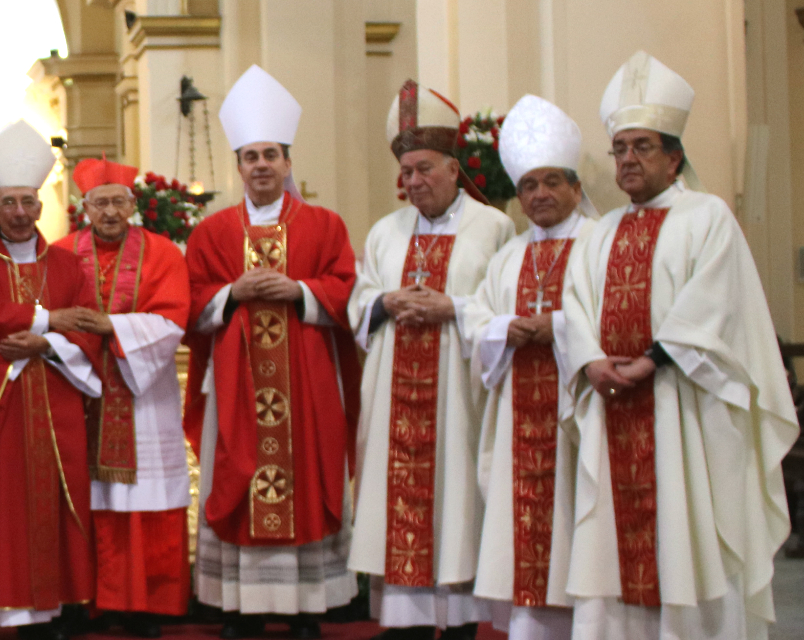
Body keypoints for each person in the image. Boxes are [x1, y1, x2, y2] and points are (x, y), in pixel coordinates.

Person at [560, 51, 797, 640]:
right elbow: (574, 304)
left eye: (642, 146)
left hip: (683, 407)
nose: (628, 160)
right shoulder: (602, 232)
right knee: (614, 545)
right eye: (620, 148)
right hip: (613, 404)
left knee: (686, 532)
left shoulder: (707, 216)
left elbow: (712, 304)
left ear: (673, 155)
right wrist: (591, 361)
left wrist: (650, 362)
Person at [184, 65, 361, 640]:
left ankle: (306, 606)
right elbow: (190, 303)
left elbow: (347, 287)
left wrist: (301, 291)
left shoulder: (324, 224)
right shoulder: (211, 233)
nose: (261, 165)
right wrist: (231, 293)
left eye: (271, 155)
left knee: (306, 478)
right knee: (237, 475)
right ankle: (241, 606)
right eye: (250, 156)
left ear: (288, 163)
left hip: (306, 381)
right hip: (236, 384)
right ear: (238, 167)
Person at [346, 80, 514, 640]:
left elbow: (502, 307)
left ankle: (460, 617)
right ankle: (407, 621)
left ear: (453, 166)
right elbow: (358, 302)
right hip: (395, 393)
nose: (413, 182)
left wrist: (454, 308)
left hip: (458, 394)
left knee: (457, 499)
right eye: (406, 173)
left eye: (424, 169)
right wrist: (384, 302)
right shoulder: (385, 232)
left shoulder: (492, 228)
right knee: (399, 506)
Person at [0, 119, 102, 640]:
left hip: (54, 406)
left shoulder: (68, 265)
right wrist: (50, 322)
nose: (19, 213)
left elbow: (90, 326)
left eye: (28, 201)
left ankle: (44, 613)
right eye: (8, 202)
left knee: (49, 506)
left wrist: (45, 345)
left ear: (40, 205)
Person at [462, 94, 593, 640]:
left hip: (579, 416)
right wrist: (504, 330)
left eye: (551, 183)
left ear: (576, 188)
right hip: (519, 410)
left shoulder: (598, 244)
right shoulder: (509, 256)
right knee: (527, 527)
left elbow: (615, 317)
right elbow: (478, 318)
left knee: (574, 517)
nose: (540, 195)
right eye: (529, 187)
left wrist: (556, 327)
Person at [53, 158, 192, 637]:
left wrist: (111, 325)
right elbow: (44, 315)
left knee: (142, 500)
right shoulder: (61, 253)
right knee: (84, 499)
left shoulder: (163, 253)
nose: (110, 211)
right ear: (84, 208)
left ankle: (146, 604)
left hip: (143, 395)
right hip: (78, 394)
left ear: (134, 205)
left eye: (118, 202)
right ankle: (89, 599)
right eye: (100, 203)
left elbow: (174, 320)